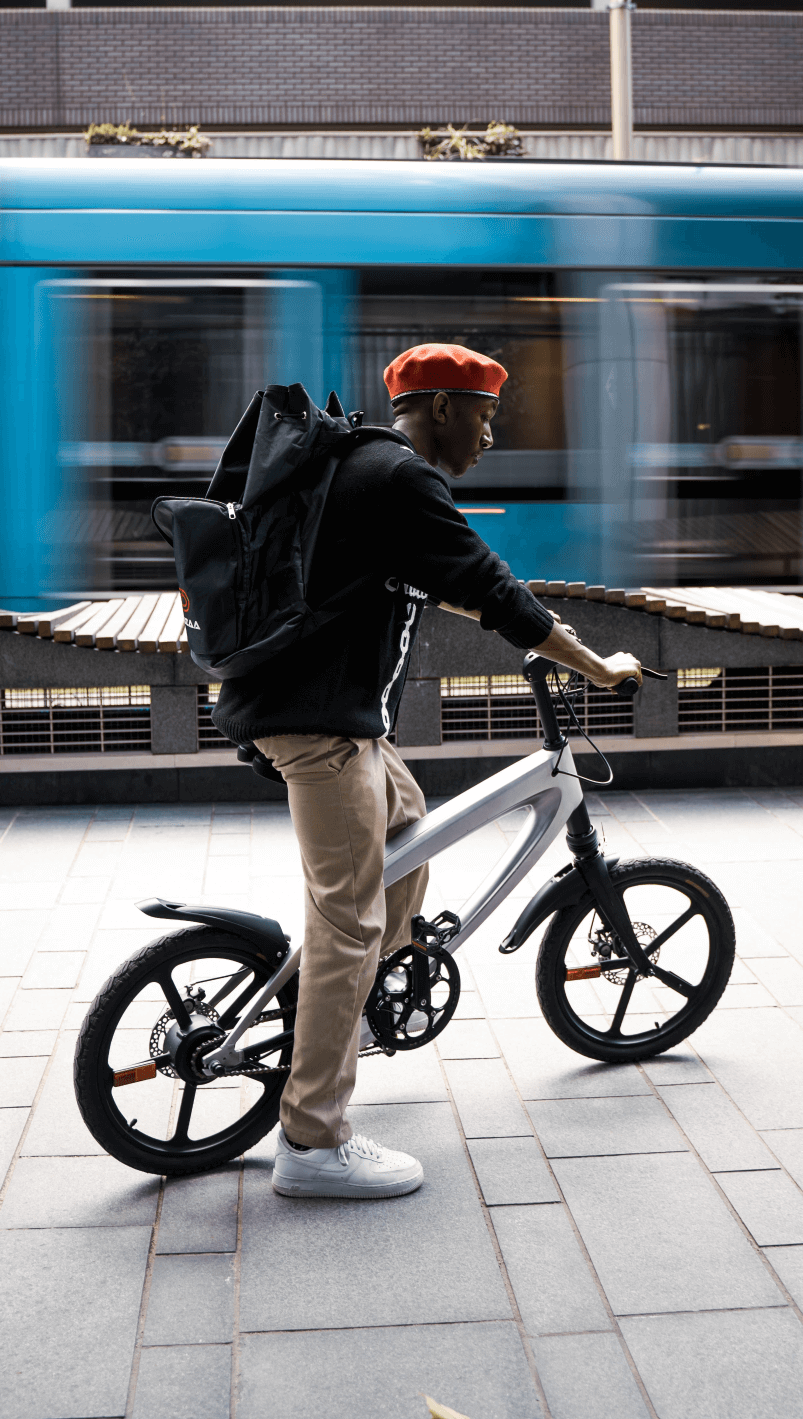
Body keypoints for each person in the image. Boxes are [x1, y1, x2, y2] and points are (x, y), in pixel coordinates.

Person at [211, 343, 641, 1199]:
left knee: (408, 829)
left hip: (335, 717)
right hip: (318, 725)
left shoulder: (363, 466)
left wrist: (478, 605)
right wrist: (595, 665)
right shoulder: (401, 478)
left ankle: (356, 1012)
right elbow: (490, 584)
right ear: (442, 408)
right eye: (483, 416)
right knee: (348, 923)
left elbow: (423, 576)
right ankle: (313, 1143)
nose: (489, 436)